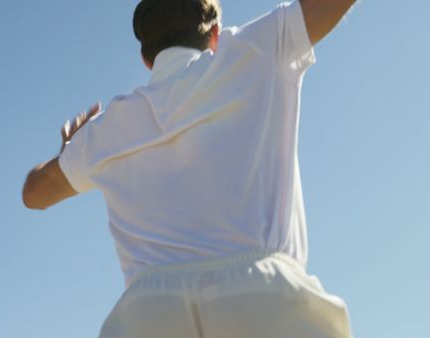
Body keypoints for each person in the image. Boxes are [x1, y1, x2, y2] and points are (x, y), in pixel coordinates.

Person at [23, 0, 356, 337]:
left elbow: (34, 193)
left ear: (146, 58)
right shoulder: (257, 48)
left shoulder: (104, 131)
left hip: (148, 315)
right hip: (264, 297)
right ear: (214, 34)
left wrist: (70, 150)